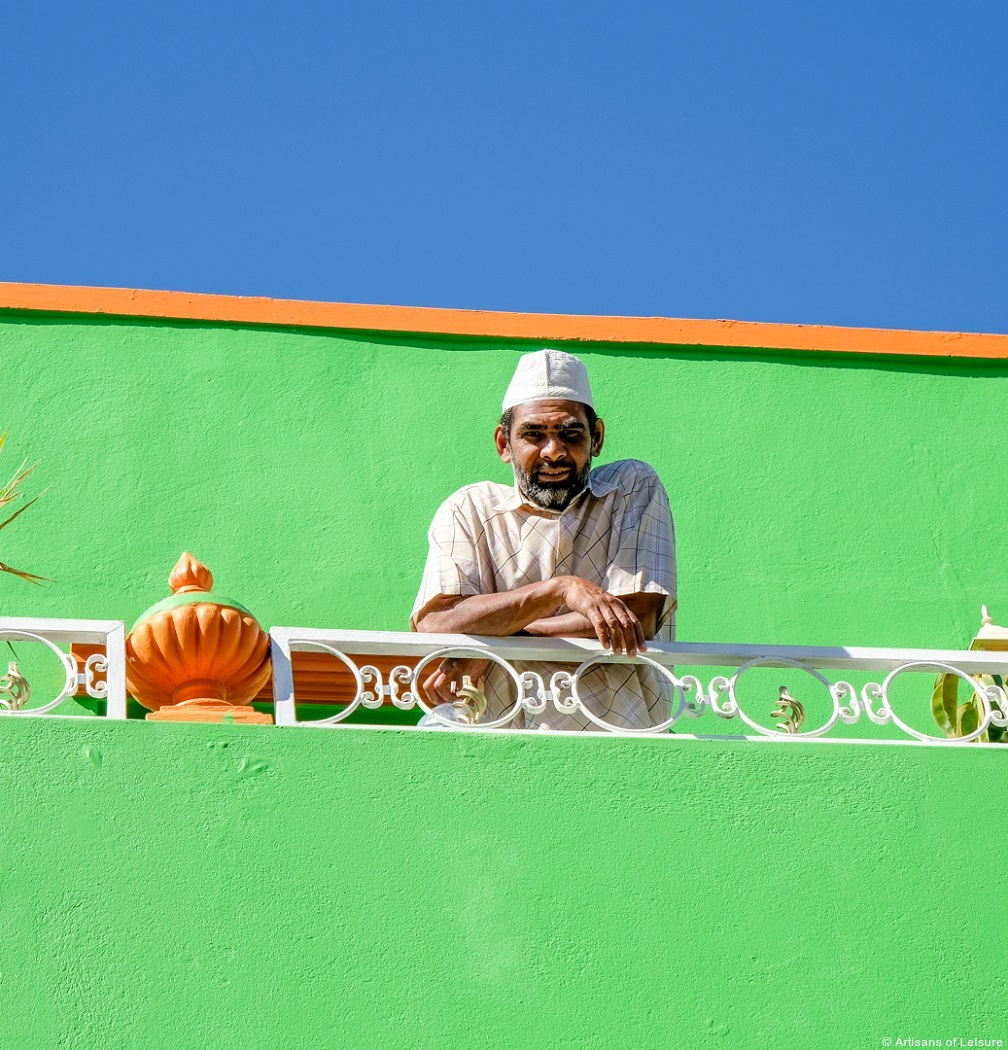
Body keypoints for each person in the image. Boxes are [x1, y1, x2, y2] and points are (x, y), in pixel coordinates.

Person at [411, 348, 676, 730]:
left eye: (569, 434)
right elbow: (436, 622)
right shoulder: (469, 509)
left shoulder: (631, 488)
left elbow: (637, 616)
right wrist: (558, 591)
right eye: (533, 434)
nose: (553, 452)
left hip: (619, 731)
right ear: (504, 443)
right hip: (490, 734)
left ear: (596, 438)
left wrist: (495, 638)